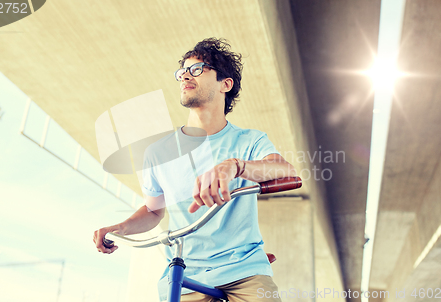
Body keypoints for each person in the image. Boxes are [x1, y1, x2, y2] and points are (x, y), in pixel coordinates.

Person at [93, 38, 297, 302]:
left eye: (198, 69)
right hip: (187, 272)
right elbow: (154, 210)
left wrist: (235, 166)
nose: (186, 75)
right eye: (183, 72)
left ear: (226, 84)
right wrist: (120, 227)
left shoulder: (250, 141)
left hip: (243, 269)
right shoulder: (157, 152)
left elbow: (285, 171)